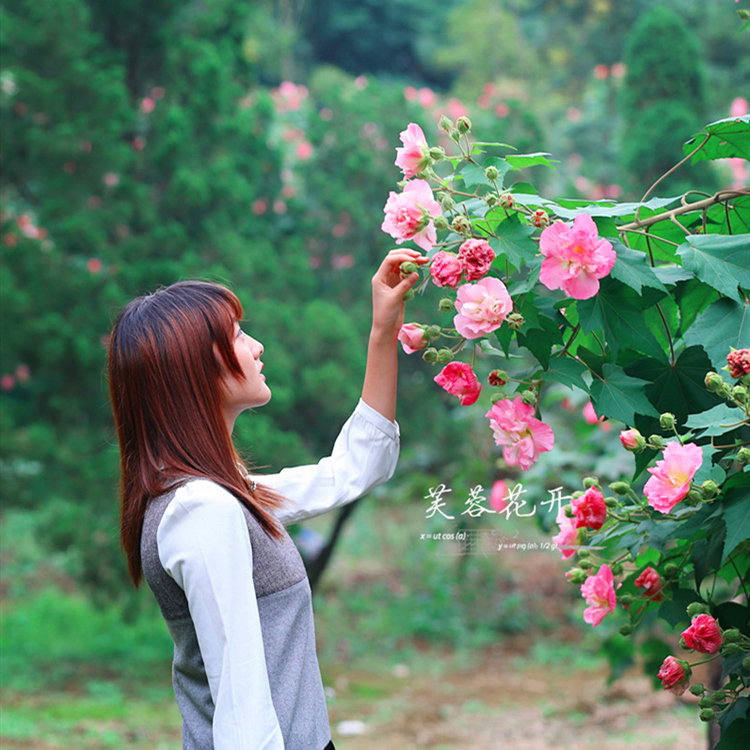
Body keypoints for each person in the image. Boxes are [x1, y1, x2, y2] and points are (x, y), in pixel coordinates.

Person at [107, 248, 427, 750]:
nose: (256, 347)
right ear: (193, 367)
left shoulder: (222, 493)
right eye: (235, 335)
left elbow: (354, 469)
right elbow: (243, 708)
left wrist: (383, 331)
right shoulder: (200, 511)